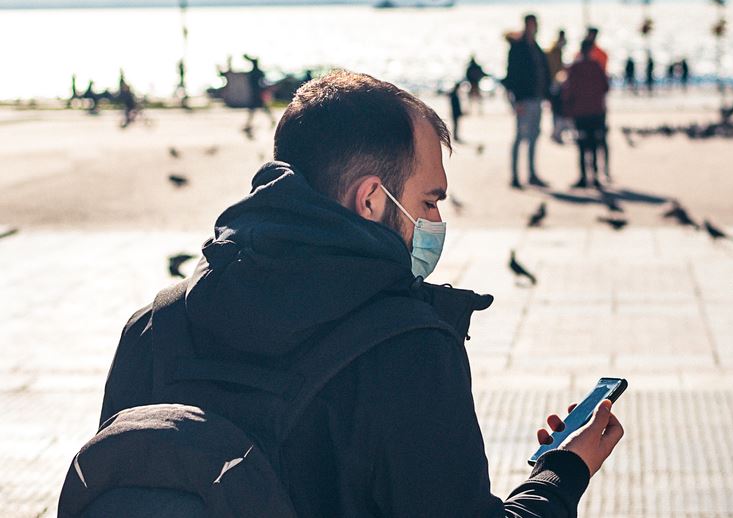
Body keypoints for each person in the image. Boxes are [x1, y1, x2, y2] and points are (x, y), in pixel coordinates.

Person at [93, 71, 623, 517]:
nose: (437, 220)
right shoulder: (408, 352)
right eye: (430, 201)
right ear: (371, 199)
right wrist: (562, 472)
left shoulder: (154, 328)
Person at [504, 14, 550, 189]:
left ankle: (532, 174)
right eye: (531, 24)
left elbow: (543, 72)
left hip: (537, 97)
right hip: (523, 99)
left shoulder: (535, 46)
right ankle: (515, 176)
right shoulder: (518, 47)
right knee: (520, 136)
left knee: (534, 135)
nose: (534, 27)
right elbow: (512, 75)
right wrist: (516, 100)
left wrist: (547, 94)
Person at [562, 38, 611, 188]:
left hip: (580, 113)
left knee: (582, 145)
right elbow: (605, 87)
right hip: (595, 111)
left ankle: (583, 177)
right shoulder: (596, 66)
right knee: (594, 144)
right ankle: (594, 177)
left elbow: (568, 90)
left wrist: (567, 109)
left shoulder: (575, 67)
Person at [242, 54, 275, 135]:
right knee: (258, 108)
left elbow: (262, 82)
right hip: (258, 93)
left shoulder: (255, 72)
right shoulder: (258, 72)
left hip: (257, 93)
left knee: (254, 109)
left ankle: (248, 124)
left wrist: (262, 91)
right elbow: (263, 82)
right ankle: (271, 120)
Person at [547, 30, 569, 143]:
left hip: (555, 84)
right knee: (557, 109)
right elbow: (555, 69)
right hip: (554, 84)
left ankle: (557, 132)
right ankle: (556, 132)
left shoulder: (555, 50)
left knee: (557, 109)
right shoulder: (555, 51)